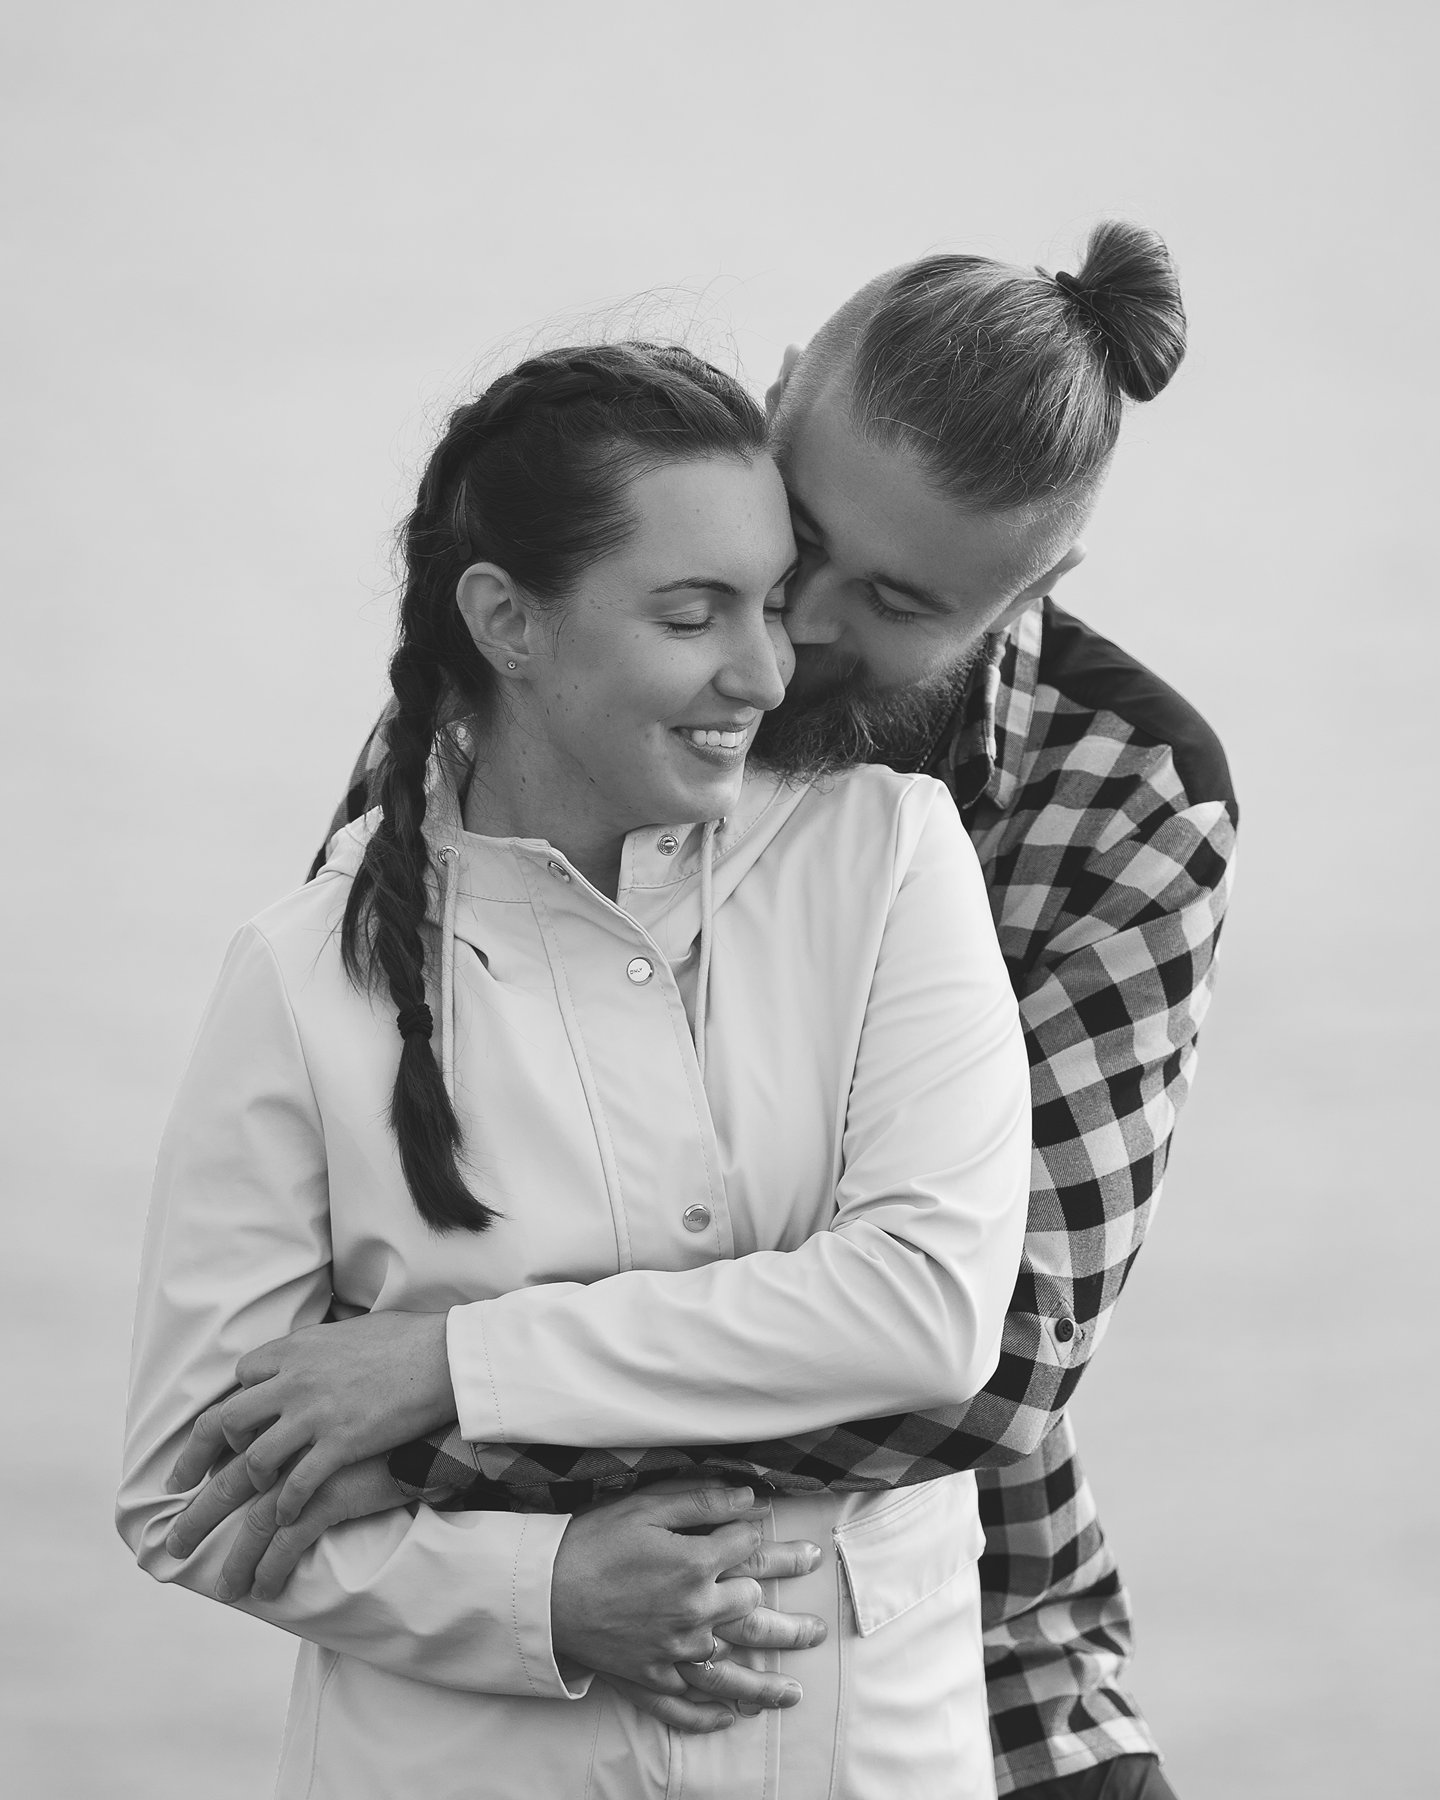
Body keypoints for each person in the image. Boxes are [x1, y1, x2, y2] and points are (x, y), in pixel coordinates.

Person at [159, 222, 1238, 1799]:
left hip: (997, 1658)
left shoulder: (1127, 794)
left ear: (1033, 590)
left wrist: (441, 1398)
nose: (799, 633)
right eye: (802, 532)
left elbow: (999, 1346)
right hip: (537, 1686)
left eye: (897, 600)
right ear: (782, 393)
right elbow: (345, 1164)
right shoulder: (528, 697)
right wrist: (537, 1582)